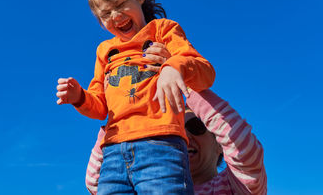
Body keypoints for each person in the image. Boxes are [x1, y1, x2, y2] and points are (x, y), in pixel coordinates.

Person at [56, 0, 215, 194]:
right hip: (112, 154)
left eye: (120, 4)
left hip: (161, 145)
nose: (115, 16)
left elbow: (205, 72)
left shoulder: (163, 31)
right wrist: (79, 97)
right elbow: (100, 107)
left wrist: (173, 66)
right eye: (105, 14)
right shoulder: (105, 51)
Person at [85, 44, 267, 195]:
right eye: (173, 129)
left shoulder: (234, 187)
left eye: (196, 126)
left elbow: (245, 152)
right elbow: (97, 179)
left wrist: (180, 75)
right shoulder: (139, 185)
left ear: (219, 144)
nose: (183, 136)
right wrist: (122, 105)